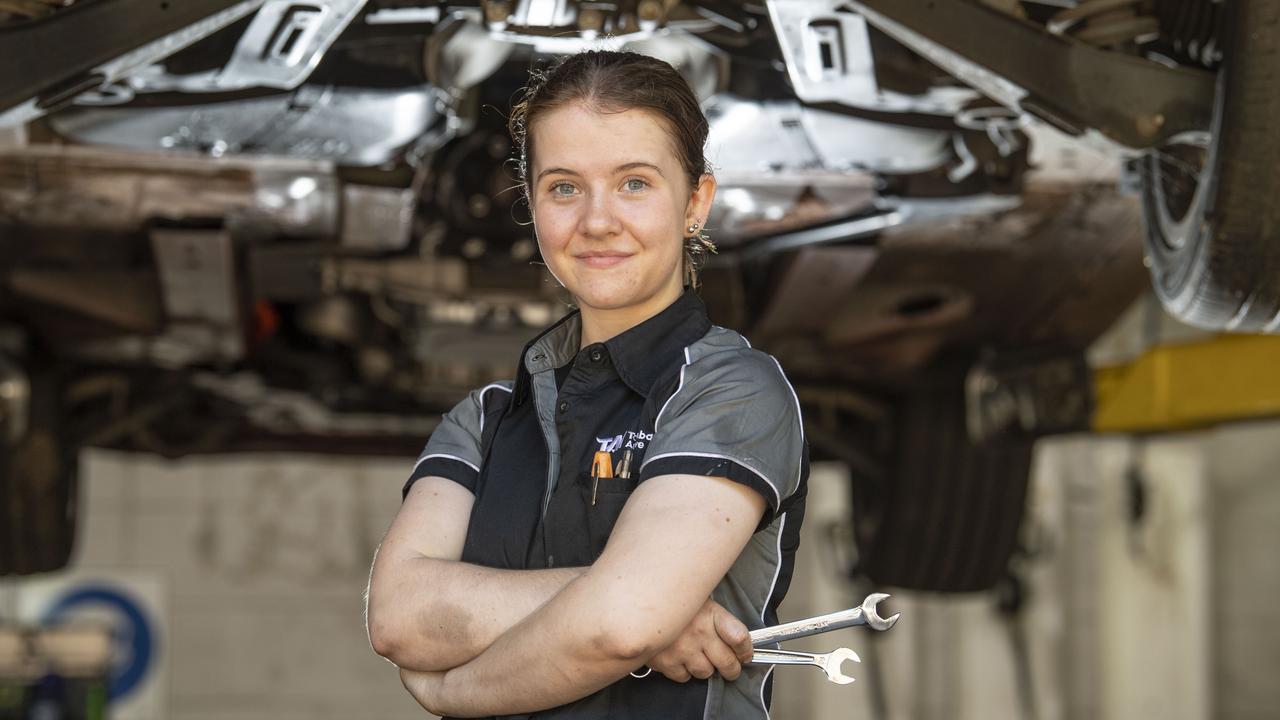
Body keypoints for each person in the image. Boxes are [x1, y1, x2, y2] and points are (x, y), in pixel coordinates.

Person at [366, 49, 809, 720]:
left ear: (696, 201)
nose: (597, 221)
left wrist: (453, 691)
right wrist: (627, 598)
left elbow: (619, 628)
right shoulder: (483, 421)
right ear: (532, 203)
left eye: (635, 183)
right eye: (565, 187)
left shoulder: (732, 390)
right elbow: (399, 617)